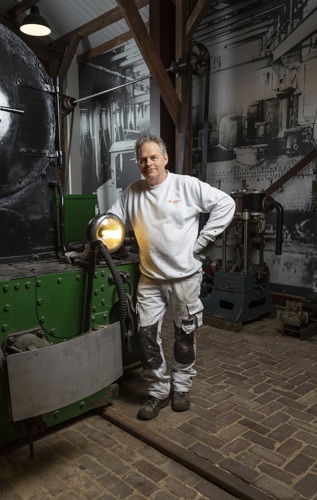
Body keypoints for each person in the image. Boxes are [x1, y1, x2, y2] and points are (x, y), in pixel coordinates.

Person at [106, 134, 235, 420]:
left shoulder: (186, 186)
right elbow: (110, 221)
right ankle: (158, 391)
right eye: (143, 159)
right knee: (146, 335)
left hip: (185, 279)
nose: (148, 163)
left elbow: (225, 204)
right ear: (138, 163)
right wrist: (100, 234)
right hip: (150, 279)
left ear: (165, 159)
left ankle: (181, 387)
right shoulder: (132, 193)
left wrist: (204, 240)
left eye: (153, 157)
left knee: (184, 335)